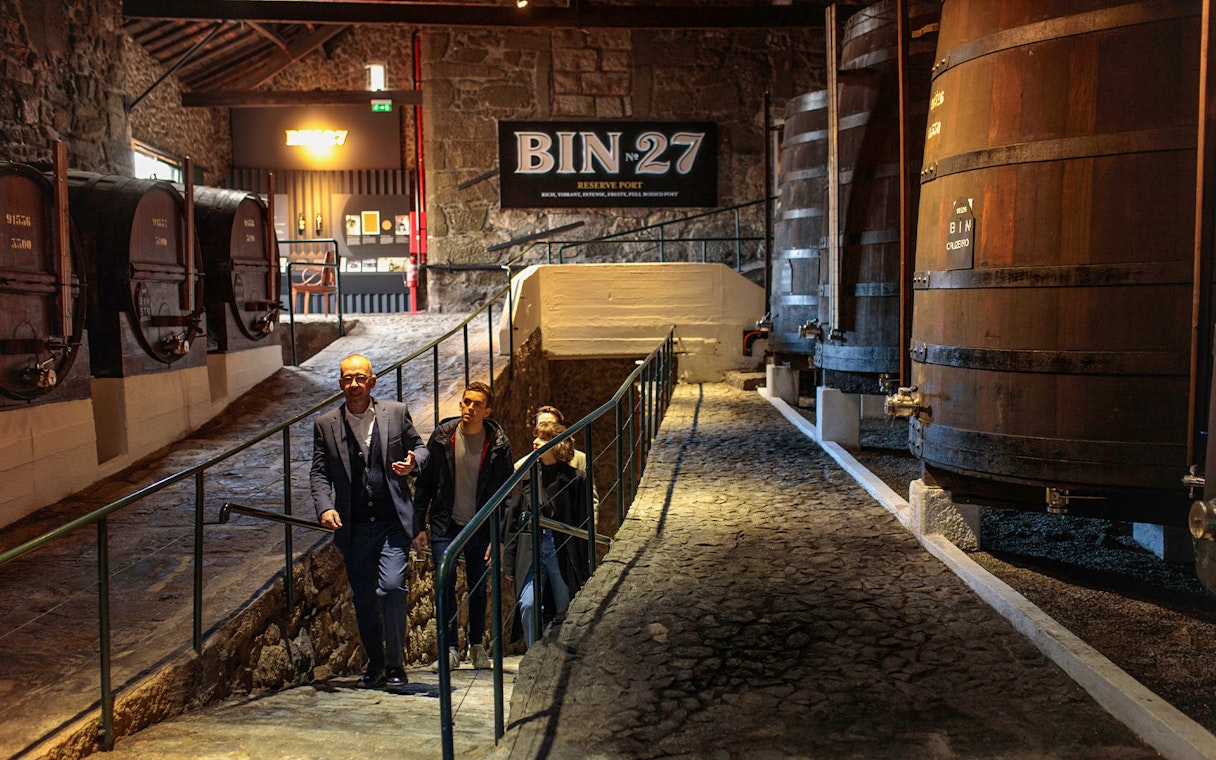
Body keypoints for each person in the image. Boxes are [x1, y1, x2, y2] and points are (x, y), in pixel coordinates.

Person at [310, 354, 429, 689]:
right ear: (340, 383)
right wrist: (324, 507)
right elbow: (319, 473)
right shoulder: (325, 424)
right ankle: (376, 664)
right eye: (347, 379)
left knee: (391, 587)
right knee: (364, 599)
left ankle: (395, 664)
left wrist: (412, 463)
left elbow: (421, 449)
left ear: (373, 381)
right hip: (355, 526)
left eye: (360, 378)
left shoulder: (396, 412)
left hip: (392, 521)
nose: (354, 385)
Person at [413, 381, 513, 671]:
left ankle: (477, 645)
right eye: (466, 401)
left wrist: (500, 535)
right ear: (461, 404)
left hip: (481, 527)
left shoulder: (498, 444)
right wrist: (419, 525)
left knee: (478, 586)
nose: (470, 407)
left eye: (477, 404)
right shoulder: (443, 437)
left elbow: (507, 493)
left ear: (487, 410)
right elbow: (426, 484)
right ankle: (450, 649)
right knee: (444, 583)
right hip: (446, 524)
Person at [504, 421, 591, 648]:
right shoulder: (524, 476)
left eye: (542, 438)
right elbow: (512, 520)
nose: (535, 442)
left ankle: (557, 657)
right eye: (536, 437)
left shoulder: (576, 479)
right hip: (530, 546)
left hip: (560, 548)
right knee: (528, 603)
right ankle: (533, 656)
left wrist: (584, 566)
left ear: (556, 444)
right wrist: (509, 562)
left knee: (564, 606)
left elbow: (583, 524)